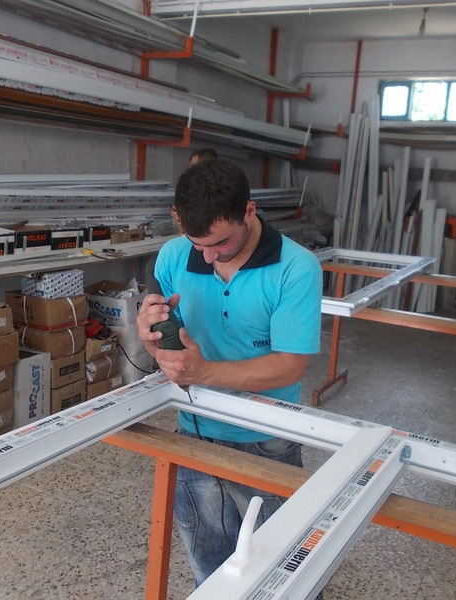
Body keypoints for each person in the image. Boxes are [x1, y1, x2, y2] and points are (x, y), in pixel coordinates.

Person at [136, 159, 322, 587]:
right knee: (210, 564)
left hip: (267, 435)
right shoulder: (173, 256)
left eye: (221, 242)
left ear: (249, 211)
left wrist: (202, 371)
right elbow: (164, 342)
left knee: (285, 568)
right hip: (194, 428)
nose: (208, 255)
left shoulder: (296, 268)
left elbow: (289, 366)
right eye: (197, 243)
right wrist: (149, 335)